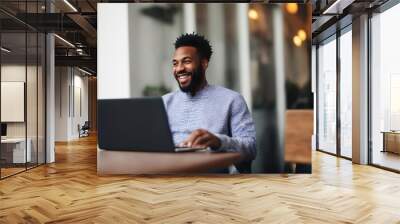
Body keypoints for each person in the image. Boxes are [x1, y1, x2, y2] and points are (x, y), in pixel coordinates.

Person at [162, 33, 256, 173]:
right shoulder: (165, 102)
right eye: (175, 63)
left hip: (211, 183)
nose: (179, 68)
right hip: (169, 177)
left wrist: (219, 141)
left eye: (186, 61)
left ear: (204, 63)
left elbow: (251, 148)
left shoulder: (232, 100)